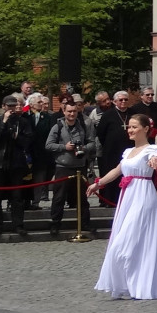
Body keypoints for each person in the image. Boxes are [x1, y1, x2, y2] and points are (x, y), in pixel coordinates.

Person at [89, 113, 157, 300]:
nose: (130, 130)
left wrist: (154, 161)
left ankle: (143, 283)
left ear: (145, 129)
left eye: (134, 127)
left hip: (143, 196)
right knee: (125, 240)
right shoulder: (128, 152)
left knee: (125, 241)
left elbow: (155, 159)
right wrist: (98, 183)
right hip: (127, 197)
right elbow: (117, 171)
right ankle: (129, 283)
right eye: (129, 127)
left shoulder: (152, 149)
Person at [46, 99, 97, 236]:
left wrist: (83, 148)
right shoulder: (57, 126)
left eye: (74, 111)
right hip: (63, 166)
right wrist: (64, 147)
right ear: (64, 111)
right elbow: (49, 145)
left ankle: (85, 223)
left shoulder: (85, 125)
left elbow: (93, 143)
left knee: (82, 198)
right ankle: (55, 223)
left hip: (80, 166)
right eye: (69, 111)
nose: (72, 114)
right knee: (59, 197)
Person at [0, 95, 35, 239]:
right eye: (8, 106)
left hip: (16, 164)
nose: (11, 109)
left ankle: (18, 225)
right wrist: (4, 122)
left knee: (17, 197)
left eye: (13, 106)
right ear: (3, 106)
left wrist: (16, 137)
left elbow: (28, 141)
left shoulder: (22, 122)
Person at [93, 91, 128, 207]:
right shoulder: (108, 115)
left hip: (128, 151)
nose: (123, 102)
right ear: (115, 101)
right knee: (111, 175)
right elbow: (101, 133)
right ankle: (110, 200)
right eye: (120, 100)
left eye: (125, 100)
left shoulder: (132, 113)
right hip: (111, 152)